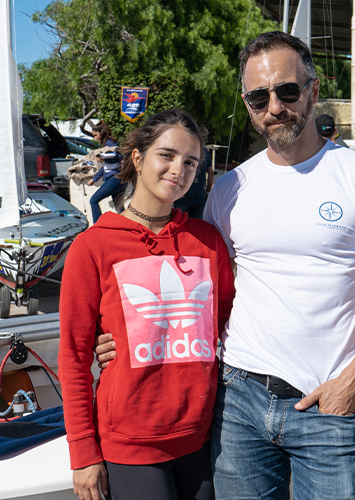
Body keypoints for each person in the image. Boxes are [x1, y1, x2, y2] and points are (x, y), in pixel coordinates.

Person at [95, 31, 355, 499]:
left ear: (313, 90)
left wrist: (354, 380)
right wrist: (125, 334)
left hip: (327, 402)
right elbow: (191, 282)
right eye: (259, 97)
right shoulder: (231, 188)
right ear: (247, 105)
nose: (275, 107)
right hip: (237, 401)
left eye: (287, 91)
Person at [59, 110, 235, 500]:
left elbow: (226, 323)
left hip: (204, 436)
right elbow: (73, 356)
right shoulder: (93, 246)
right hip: (130, 442)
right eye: (167, 155)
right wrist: (82, 450)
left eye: (190, 162)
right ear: (137, 158)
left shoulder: (208, 241)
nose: (178, 170)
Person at [86, 121, 125, 223]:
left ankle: (97, 226)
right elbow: (105, 167)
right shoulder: (108, 143)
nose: (95, 138)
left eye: (96, 135)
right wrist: (94, 179)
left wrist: (102, 158)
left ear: (102, 132)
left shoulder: (110, 143)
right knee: (119, 207)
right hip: (117, 178)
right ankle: (127, 226)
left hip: (114, 178)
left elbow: (116, 155)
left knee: (93, 201)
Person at [173, 146, 214, 218]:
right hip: (200, 196)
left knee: (180, 222)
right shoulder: (205, 151)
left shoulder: (184, 148)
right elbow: (210, 172)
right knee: (197, 223)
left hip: (182, 195)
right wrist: (208, 191)